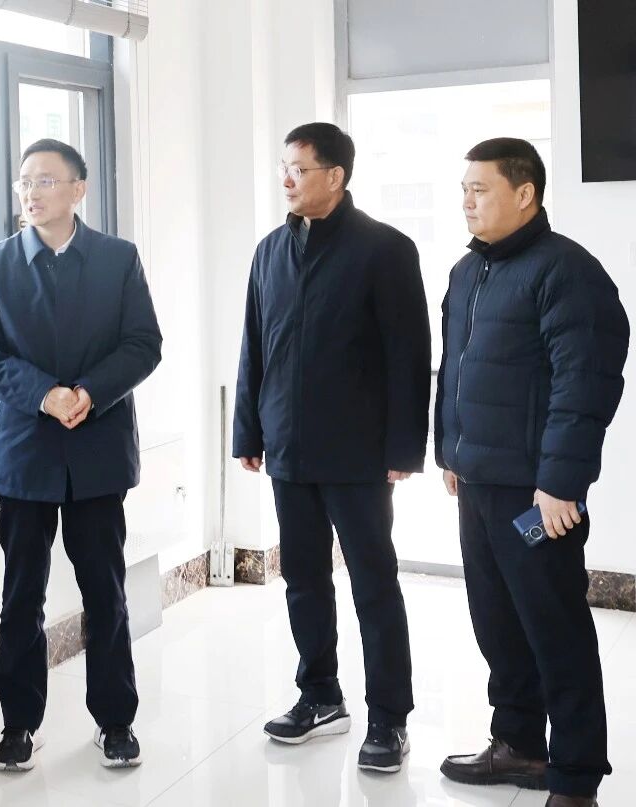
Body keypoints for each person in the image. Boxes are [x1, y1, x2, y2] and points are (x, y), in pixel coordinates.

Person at [435, 137, 629, 807]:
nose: (467, 200)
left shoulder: (566, 271)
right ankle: (517, 742)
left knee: (554, 628)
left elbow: (585, 383)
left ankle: (575, 777)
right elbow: (454, 371)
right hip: (478, 484)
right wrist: (450, 453)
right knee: (497, 621)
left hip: (534, 496)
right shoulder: (467, 272)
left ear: (525, 193)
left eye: (480, 189)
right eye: (463, 189)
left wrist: (561, 484)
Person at [232, 122, 431, 773]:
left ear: (335, 176)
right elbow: (254, 344)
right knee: (303, 578)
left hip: (359, 452)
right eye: (283, 168)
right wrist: (248, 431)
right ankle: (319, 696)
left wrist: (404, 447)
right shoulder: (270, 250)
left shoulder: (385, 249)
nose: (286, 179)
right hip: (288, 447)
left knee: (373, 582)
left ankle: (389, 718)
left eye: (299, 168)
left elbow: (409, 356)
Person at [0, 138, 162, 773]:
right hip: (24, 453)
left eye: (46, 180)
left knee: (105, 591)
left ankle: (115, 722)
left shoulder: (117, 259)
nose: (32, 192)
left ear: (79, 189)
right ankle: (19, 724)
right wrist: (44, 395)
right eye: (25, 182)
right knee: (21, 595)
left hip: (97, 451)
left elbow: (143, 343)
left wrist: (89, 393)